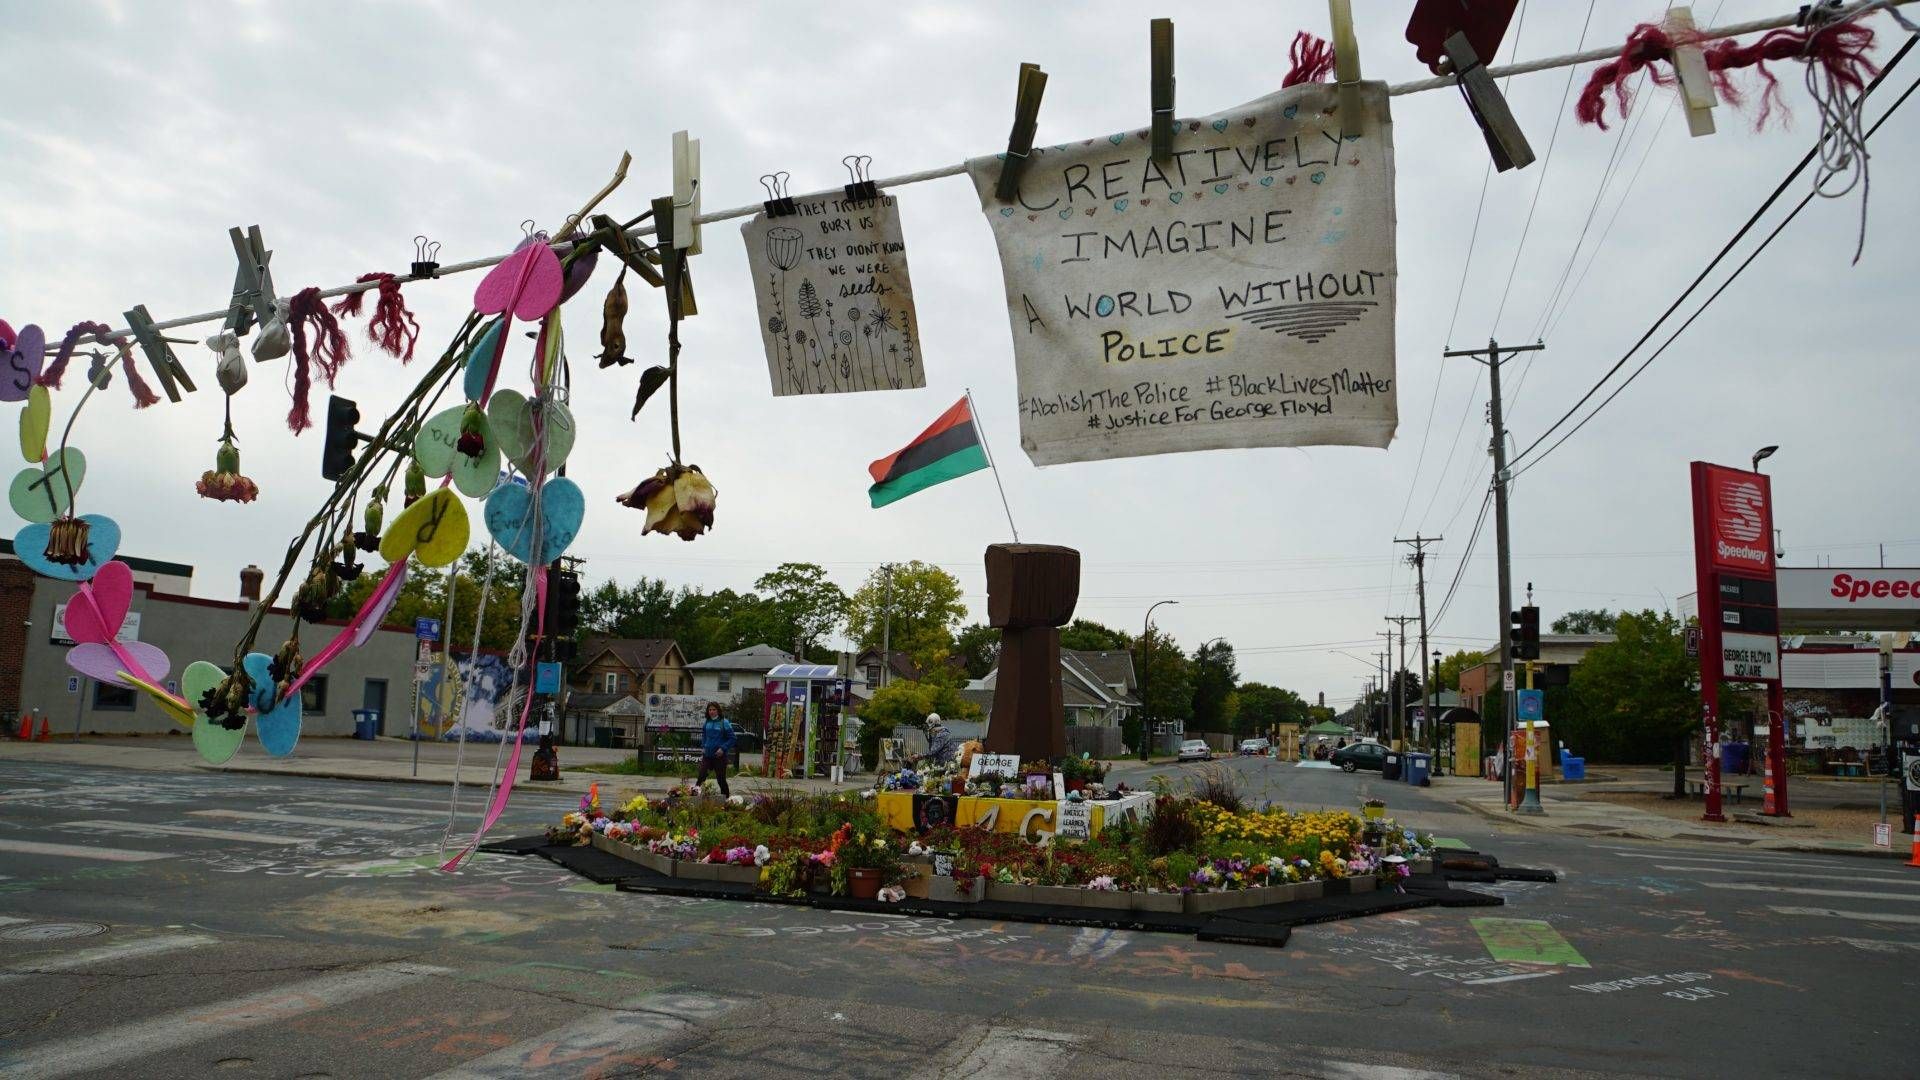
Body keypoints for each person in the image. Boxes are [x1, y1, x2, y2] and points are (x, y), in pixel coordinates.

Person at [696, 702, 737, 796]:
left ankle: (726, 799)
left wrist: (723, 749)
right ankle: (694, 797)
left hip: (720, 757)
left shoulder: (724, 722)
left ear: (718, 710)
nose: (712, 711)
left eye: (714, 709)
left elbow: (733, 738)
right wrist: (703, 746)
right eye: (710, 710)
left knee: (721, 780)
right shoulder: (707, 722)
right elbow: (704, 736)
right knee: (701, 776)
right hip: (707, 755)